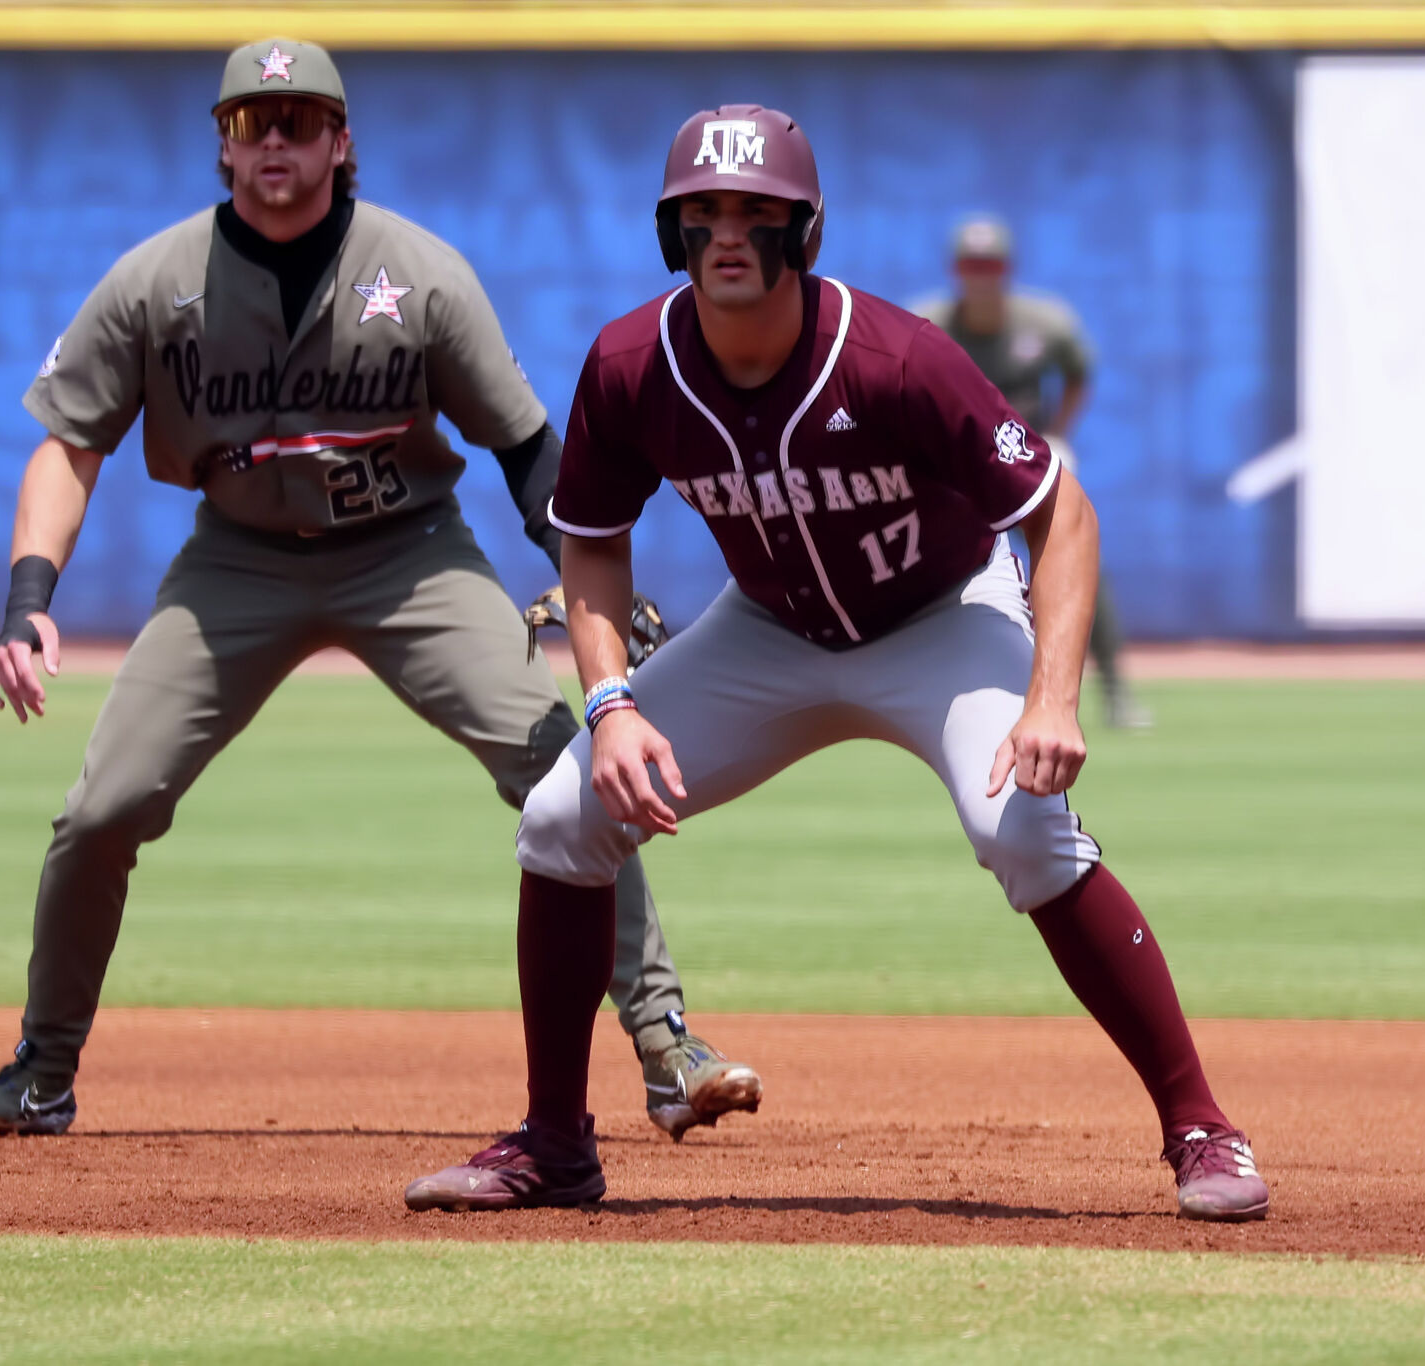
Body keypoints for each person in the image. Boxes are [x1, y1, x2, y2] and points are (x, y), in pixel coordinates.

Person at [403, 105, 1267, 1221]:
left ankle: (1200, 1124)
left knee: (1021, 830)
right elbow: (591, 541)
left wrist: (1051, 697)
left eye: (753, 213)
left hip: (941, 618)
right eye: (701, 213)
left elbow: (1060, 514)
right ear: (671, 233)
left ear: (803, 231)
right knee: (564, 815)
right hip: (768, 629)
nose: (724, 234)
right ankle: (556, 1145)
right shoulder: (630, 363)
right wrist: (610, 703)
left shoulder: (895, 357)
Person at [0, 40, 759, 1145]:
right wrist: (27, 597)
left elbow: (525, 449)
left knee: (556, 763)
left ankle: (666, 1045)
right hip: (235, 558)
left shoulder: (418, 273)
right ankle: (41, 1069)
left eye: (297, 117)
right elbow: (68, 445)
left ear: (341, 141)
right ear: (223, 145)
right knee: (102, 809)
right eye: (251, 120)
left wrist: (588, 586)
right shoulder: (155, 282)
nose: (272, 138)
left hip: (407, 551)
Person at [913, 218, 1149, 729]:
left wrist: (1058, 431)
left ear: (1006, 269)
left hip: (1024, 459)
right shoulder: (930, 325)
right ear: (957, 271)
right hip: (955, 471)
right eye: (972, 266)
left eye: (991, 265)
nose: (981, 277)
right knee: (925, 568)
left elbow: (1078, 372)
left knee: (1072, 560)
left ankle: (1114, 690)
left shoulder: (1041, 323)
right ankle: (928, 691)